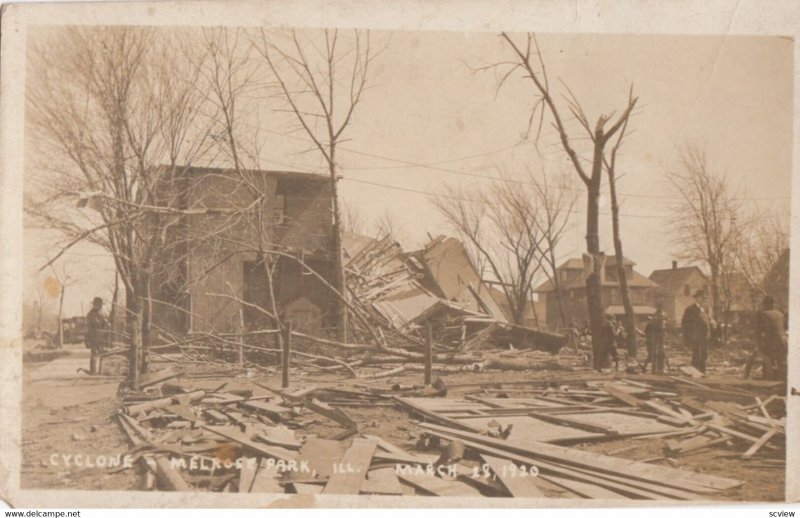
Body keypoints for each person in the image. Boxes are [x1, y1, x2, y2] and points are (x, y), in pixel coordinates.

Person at [753, 295, 787, 381]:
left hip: (771, 341)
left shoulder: (761, 314)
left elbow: (757, 332)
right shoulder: (780, 314)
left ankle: (767, 379)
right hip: (784, 340)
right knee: (782, 363)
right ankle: (782, 381)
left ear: (765, 304)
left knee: (767, 359)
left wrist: (758, 345)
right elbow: (784, 328)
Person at [681, 290, 710, 373]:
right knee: (696, 355)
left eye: (705, 298)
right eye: (702, 298)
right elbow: (685, 323)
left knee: (704, 355)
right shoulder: (690, 309)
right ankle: (695, 373)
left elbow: (705, 322)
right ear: (696, 298)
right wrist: (690, 336)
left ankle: (702, 373)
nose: (704, 300)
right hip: (696, 337)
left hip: (704, 337)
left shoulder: (704, 309)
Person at [85, 296, 108, 375]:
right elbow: (95, 323)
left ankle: (100, 370)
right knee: (94, 353)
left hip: (100, 336)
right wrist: (104, 322)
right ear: (96, 304)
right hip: (94, 336)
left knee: (100, 352)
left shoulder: (100, 313)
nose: (101, 306)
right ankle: (93, 370)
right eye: (100, 304)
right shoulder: (92, 314)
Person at [643, 304, 667, 374]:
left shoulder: (662, 314)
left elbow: (664, 326)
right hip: (656, 335)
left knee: (661, 353)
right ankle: (655, 369)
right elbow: (649, 330)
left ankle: (660, 368)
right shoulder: (656, 316)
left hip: (661, 335)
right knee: (655, 353)